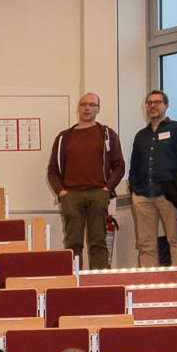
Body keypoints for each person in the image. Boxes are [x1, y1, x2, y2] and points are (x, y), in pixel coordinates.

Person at [48, 93, 124, 271]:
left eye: (92, 104)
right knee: (73, 242)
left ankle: (100, 281)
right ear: (78, 108)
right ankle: (74, 280)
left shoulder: (107, 134)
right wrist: (61, 192)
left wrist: (107, 189)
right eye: (83, 104)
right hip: (70, 196)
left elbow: (119, 165)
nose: (87, 108)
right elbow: (52, 169)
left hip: (98, 194)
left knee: (98, 241)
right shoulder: (63, 138)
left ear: (98, 109)